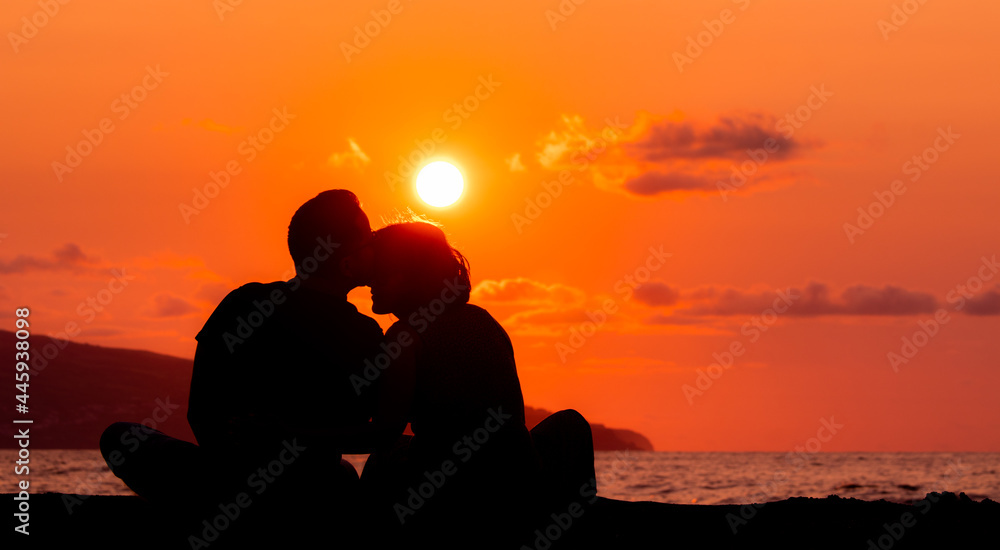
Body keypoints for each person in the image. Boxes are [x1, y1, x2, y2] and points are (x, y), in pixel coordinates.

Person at [99, 190, 384, 544]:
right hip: (308, 488)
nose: (376, 244)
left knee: (120, 437)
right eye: (368, 237)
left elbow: (200, 410)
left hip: (226, 479)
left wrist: (235, 470)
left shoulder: (245, 300)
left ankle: (220, 514)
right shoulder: (366, 334)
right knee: (340, 476)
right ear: (344, 260)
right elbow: (371, 428)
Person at [359, 221, 594, 548]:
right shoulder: (484, 320)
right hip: (520, 483)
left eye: (380, 271)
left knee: (383, 459)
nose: (369, 281)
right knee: (571, 424)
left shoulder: (405, 338)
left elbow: (385, 432)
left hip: (455, 496)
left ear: (408, 273)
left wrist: (303, 437)